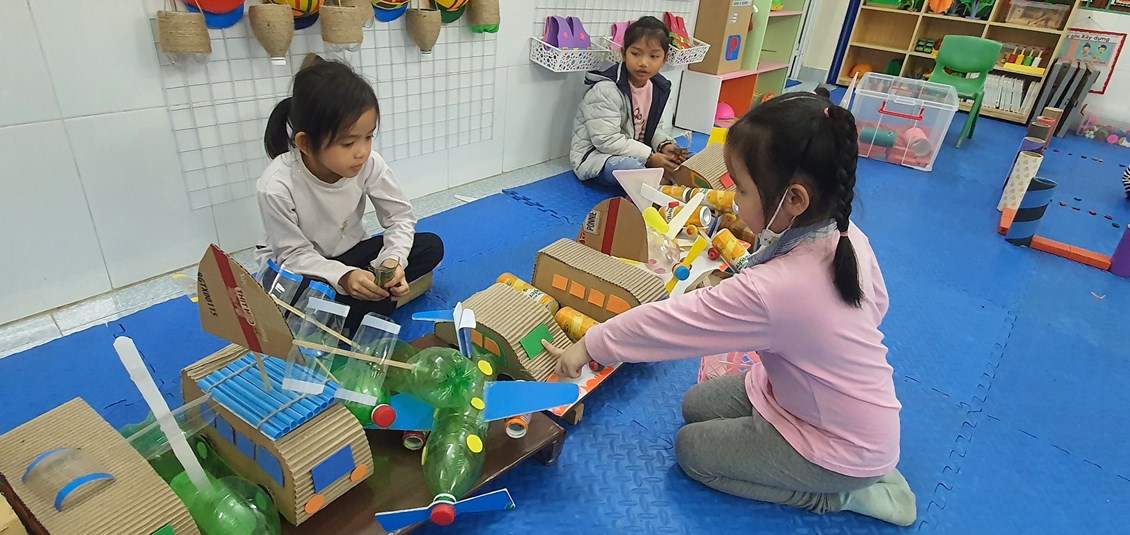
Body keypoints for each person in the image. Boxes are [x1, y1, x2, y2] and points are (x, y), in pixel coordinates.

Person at [545, 93, 917, 526]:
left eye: (741, 188)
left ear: (794, 199)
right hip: (813, 403)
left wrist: (589, 345)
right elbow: (876, 306)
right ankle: (823, 447)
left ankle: (847, 494)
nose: (734, 200)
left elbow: (672, 323)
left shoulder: (777, 289)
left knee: (693, 453)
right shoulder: (845, 233)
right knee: (695, 405)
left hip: (840, 448)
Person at [256, 57, 443, 335]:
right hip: (299, 270)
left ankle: (353, 307)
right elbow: (293, 255)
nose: (362, 152)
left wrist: (391, 262)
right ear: (305, 143)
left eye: (368, 137)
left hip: (351, 255)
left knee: (431, 246)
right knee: (289, 299)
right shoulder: (276, 185)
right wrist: (343, 277)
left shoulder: (370, 163)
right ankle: (358, 307)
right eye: (348, 143)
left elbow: (400, 218)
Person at [569, 16, 688, 187]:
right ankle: (656, 182)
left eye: (654, 56)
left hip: (636, 151)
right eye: (636, 54)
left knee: (683, 159)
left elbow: (652, 129)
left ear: (664, 59)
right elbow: (606, 141)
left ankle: (659, 180)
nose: (643, 63)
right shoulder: (605, 90)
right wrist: (650, 157)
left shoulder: (657, 88)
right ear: (624, 53)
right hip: (597, 157)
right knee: (630, 167)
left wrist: (664, 145)